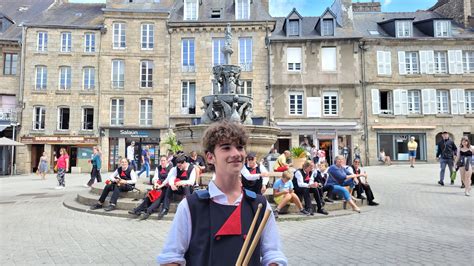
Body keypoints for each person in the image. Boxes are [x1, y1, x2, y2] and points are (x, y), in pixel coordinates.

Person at [157, 120, 287, 265]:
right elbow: (171, 257)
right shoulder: (191, 206)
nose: (236, 153)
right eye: (226, 148)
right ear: (210, 157)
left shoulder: (260, 205)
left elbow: (273, 254)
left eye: (239, 147)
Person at [158, 154, 196, 220]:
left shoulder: (192, 168)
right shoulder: (176, 168)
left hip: (188, 189)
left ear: (184, 163)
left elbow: (192, 181)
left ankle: (188, 209)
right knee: (169, 188)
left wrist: (182, 182)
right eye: (178, 166)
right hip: (178, 188)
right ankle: (165, 209)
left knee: (186, 186)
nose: (179, 167)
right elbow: (171, 177)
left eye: (180, 165)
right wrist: (172, 184)